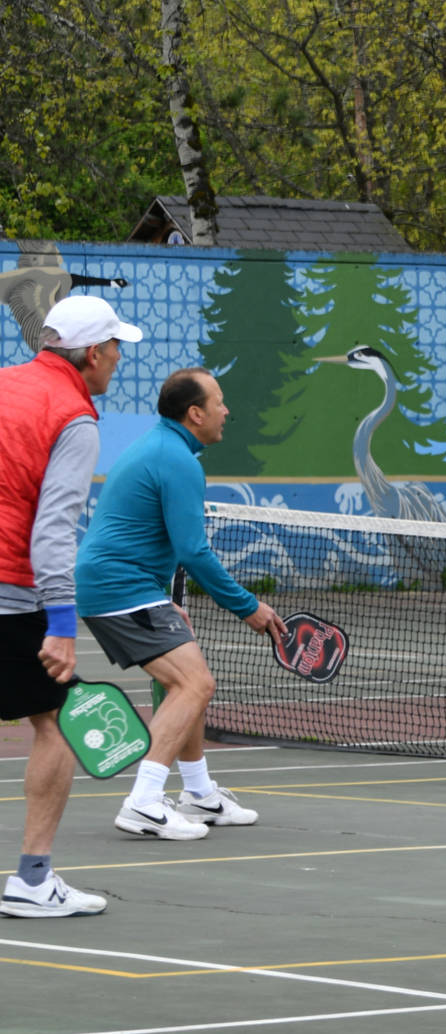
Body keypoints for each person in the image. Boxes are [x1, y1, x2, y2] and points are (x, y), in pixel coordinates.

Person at [76, 367, 283, 840]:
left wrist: (165, 601)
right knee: (195, 683)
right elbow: (193, 550)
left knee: (186, 682)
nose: (226, 410)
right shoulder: (177, 460)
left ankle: (199, 794)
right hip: (117, 586)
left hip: (126, 584)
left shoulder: (165, 448)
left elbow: (147, 534)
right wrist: (248, 606)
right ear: (195, 413)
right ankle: (144, 802)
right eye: (219, 402)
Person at [0, 295, 142, 917]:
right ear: (91, 353)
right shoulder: (75, 417)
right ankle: (32, 880)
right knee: (54, 723)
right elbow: (54, 529)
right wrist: (60, 624)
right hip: (12, 591)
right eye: (115, 348)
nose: (118, 359)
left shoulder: (3, 383)